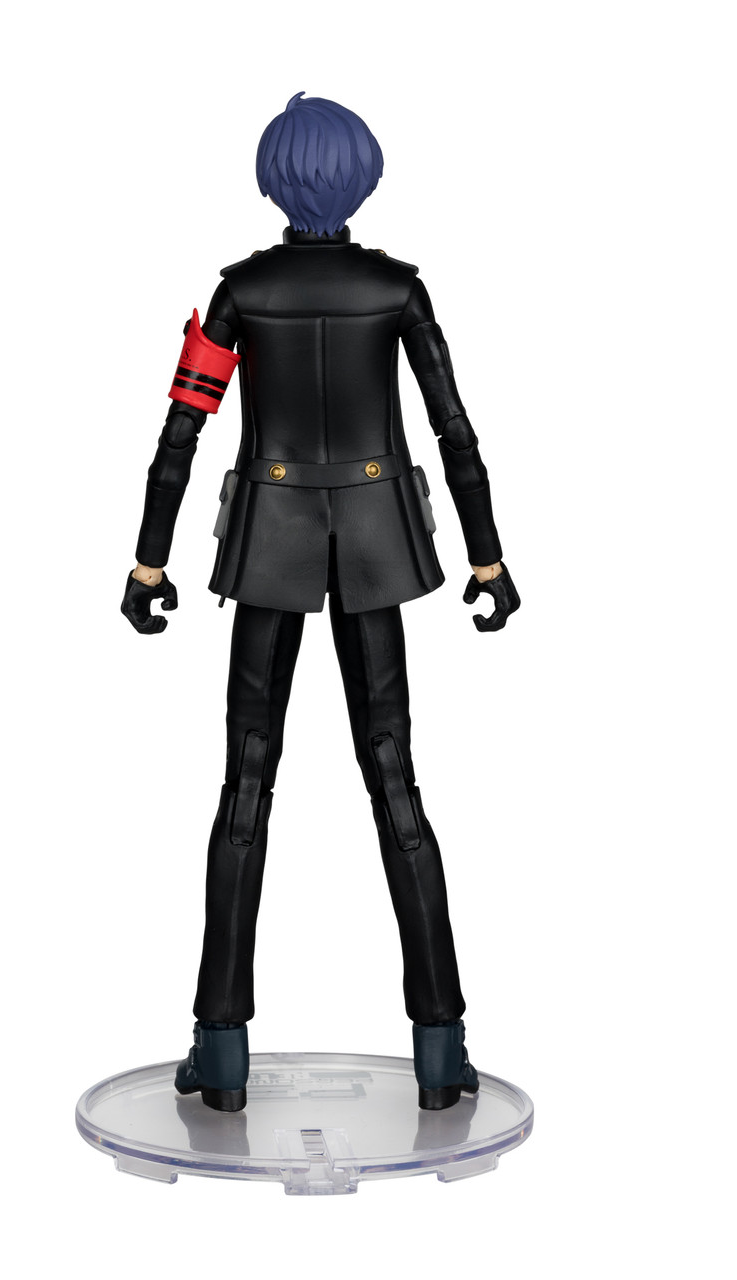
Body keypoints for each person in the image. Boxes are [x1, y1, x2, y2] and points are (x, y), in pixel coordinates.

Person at [121, 93, 520, 1112]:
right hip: (380, 543)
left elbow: (180, 433)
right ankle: (440, 1048)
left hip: (269, 541)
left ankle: (220, 1049)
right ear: (363, 176)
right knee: (397, 783)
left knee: (243, 787)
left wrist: (149, 562)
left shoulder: (239, 291)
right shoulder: (397, 289)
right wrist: (485, 557)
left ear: (272, 177)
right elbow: (456, 431)